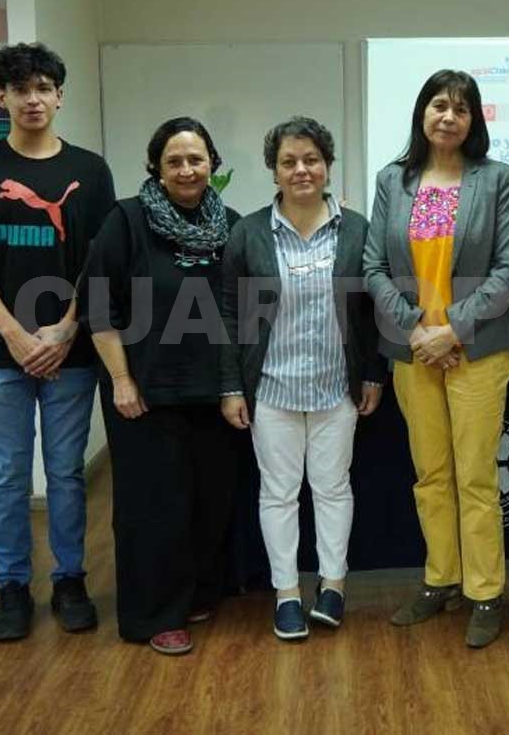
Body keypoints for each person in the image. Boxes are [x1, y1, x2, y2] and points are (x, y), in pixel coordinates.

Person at [0, 42, 116, 642]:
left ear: (59, 96)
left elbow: (98, 261)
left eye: (44, 88)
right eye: (21, 89)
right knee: (8, 475)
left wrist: (67, 327)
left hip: (70, 353)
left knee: (66, 474)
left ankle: (70, 580)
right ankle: (12, 586)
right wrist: (16, 335)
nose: (33, 99)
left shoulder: (90, 170)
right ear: (3, 97)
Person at [363, 69, 509, 649]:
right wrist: (418, 331)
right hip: (414, 353)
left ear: (473, 119)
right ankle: (441, 579)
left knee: (476, 476)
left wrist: (452, 330)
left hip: (477, 349)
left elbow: (508, 268)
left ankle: (485, 592)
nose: (448, 117)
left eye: (460, 108)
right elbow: (374, 267)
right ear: (422, 113)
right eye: (438, 105)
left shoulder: (496, 179)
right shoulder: (393, 179)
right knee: (431, 475)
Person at [219, 116, 384, 641]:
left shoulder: (357, 229)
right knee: (278, 493)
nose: (301, 170)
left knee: (333, 488)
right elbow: (228, 313)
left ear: (328, 166)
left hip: (337, 386)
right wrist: (231, 386)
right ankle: (287, 593)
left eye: (311, 159)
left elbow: (372, 311)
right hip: (271, 387)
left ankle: (333, 585)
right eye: (288, 161)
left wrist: (373, 373)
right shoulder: (248, 232)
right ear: (274, 171)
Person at [82, 117, 242, 656]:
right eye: (174, 161)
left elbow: (242, 308)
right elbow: (98, 305)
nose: (186, 169)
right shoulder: (126, 221)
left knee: (208, 501)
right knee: (153, 509)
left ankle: (196, 593)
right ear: (156, 167)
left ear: (213, 164)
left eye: (196, 159)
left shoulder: (231, 225)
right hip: (143, 394)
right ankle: (155, 615)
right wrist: (121, 379)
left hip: (214, 393)